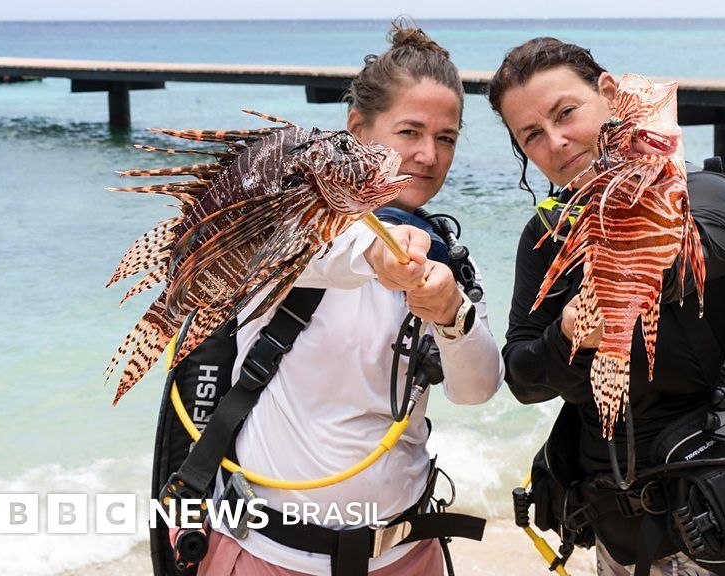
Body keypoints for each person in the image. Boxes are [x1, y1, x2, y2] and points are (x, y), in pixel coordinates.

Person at [197, 22, 504, 576]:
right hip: (269, 556)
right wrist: (375, 255)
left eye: (446, 138)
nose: (428, 155)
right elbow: (317, 251)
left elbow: (477, 389)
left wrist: (452, 314)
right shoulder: (287, 223)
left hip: (406, 555)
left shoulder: (448, 260)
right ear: (358, 130)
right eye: (409, 131)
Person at [488, 38, 725, 575]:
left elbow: (721, 245)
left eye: (566, 113)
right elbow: (523, 377)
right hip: (622, 528)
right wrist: (567, 335)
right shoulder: (547, 234)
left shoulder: (700, 192)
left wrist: (634, 213)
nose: (556, 141)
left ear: (608, 94)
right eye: (531, 135)